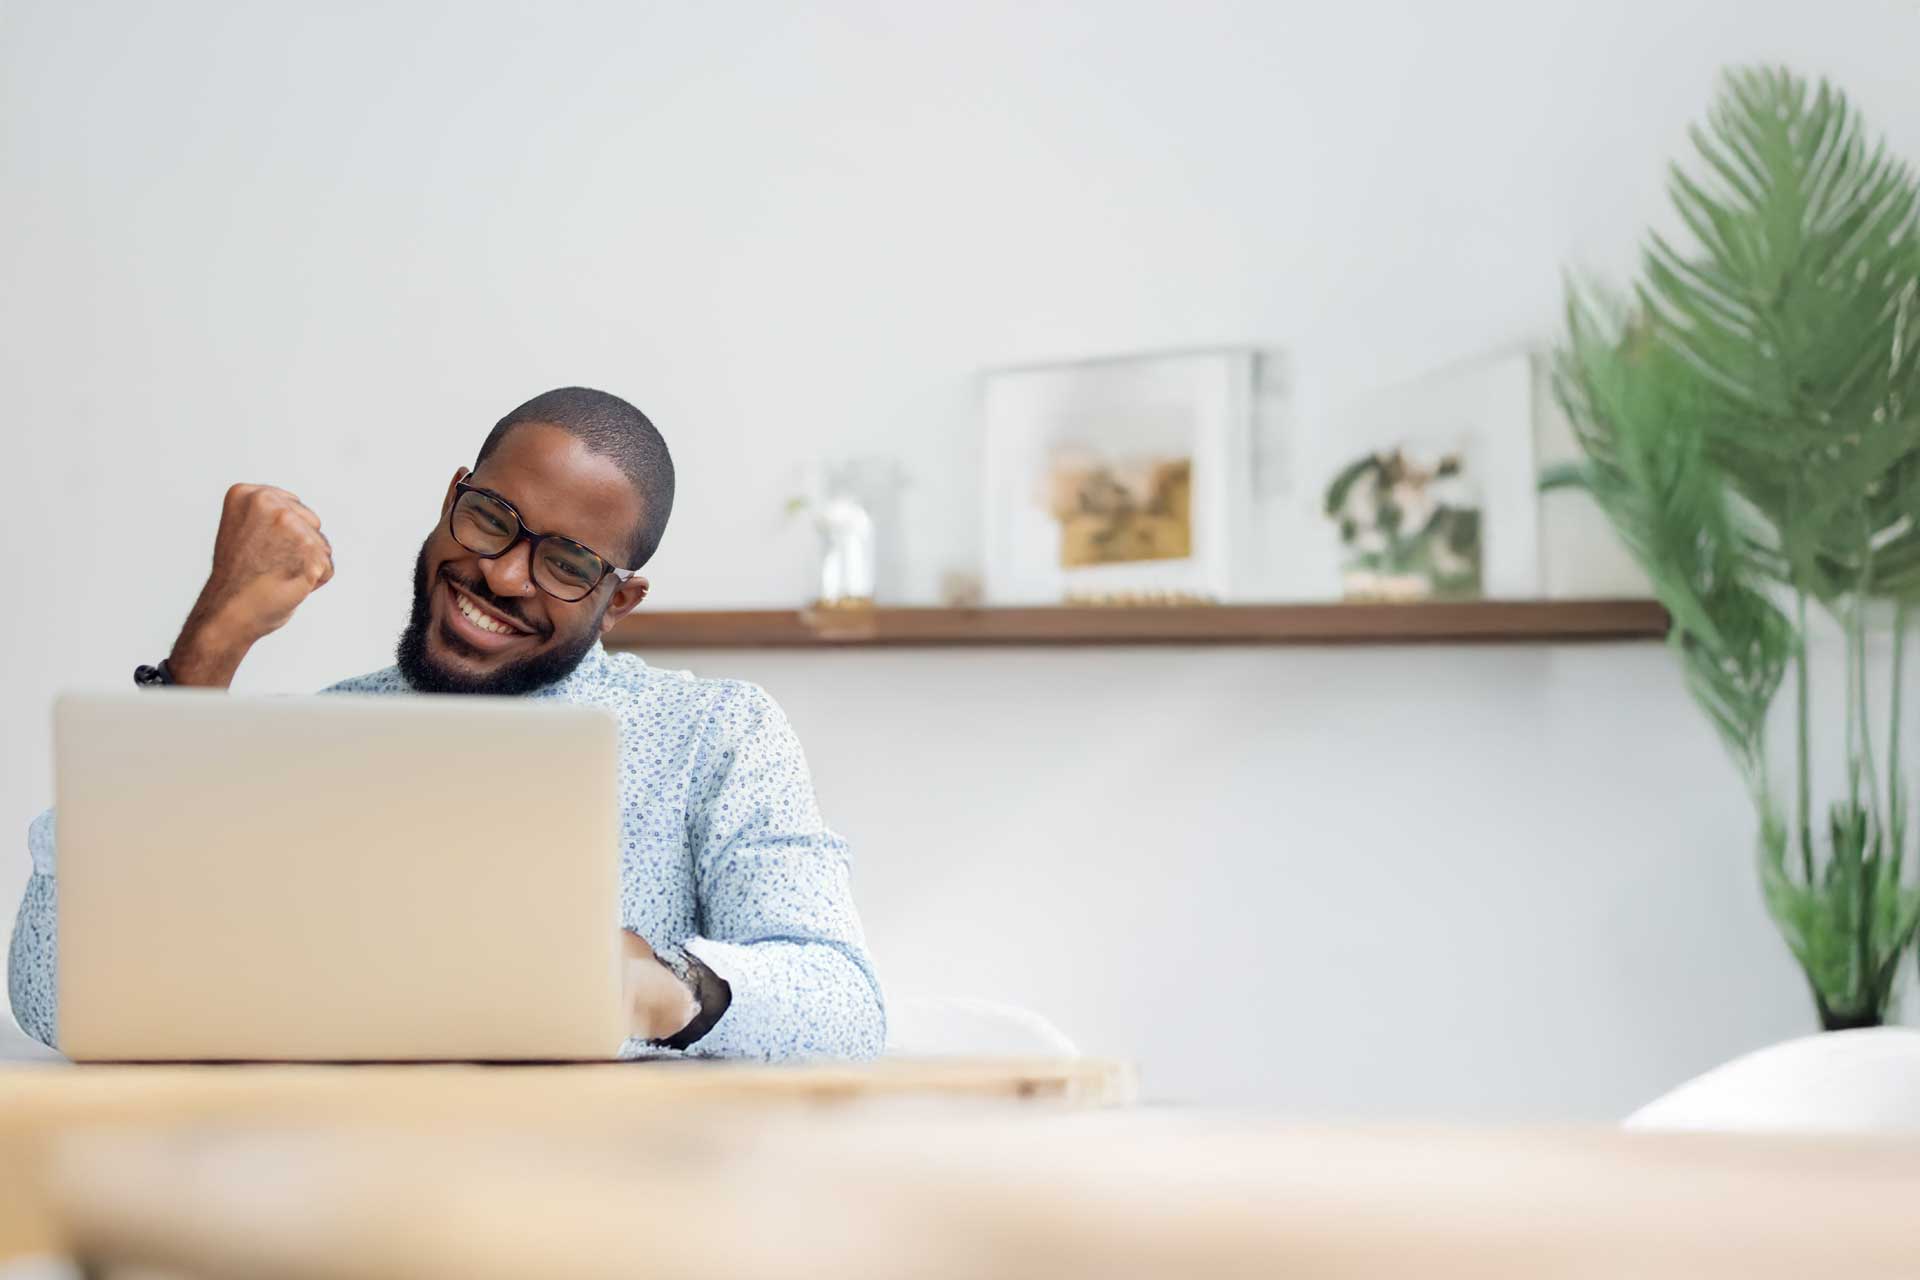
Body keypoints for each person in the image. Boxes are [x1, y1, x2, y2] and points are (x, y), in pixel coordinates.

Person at [7, 387, 885, 1059]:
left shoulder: (711, 735)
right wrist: (206, 654)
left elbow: (845, 1001)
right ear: (453, 497)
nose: (502, 574)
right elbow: (56, 996)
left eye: (569, 563)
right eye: (492, 518)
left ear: (622, 602)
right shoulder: (308, 746)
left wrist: (670, 989)